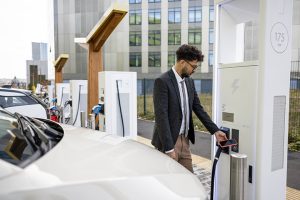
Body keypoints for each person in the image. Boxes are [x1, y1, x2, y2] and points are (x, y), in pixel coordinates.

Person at [151, 44, 227, 172]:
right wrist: (169, 148)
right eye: (193, 66)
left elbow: (198, 108)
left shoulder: (189, 82)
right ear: (182, 62)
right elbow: (161, 117)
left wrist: (215, 131)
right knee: (170, 184)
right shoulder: (162, 81)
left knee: (189, 179)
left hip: (184, 142)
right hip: (169, 142)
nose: (194, 70)